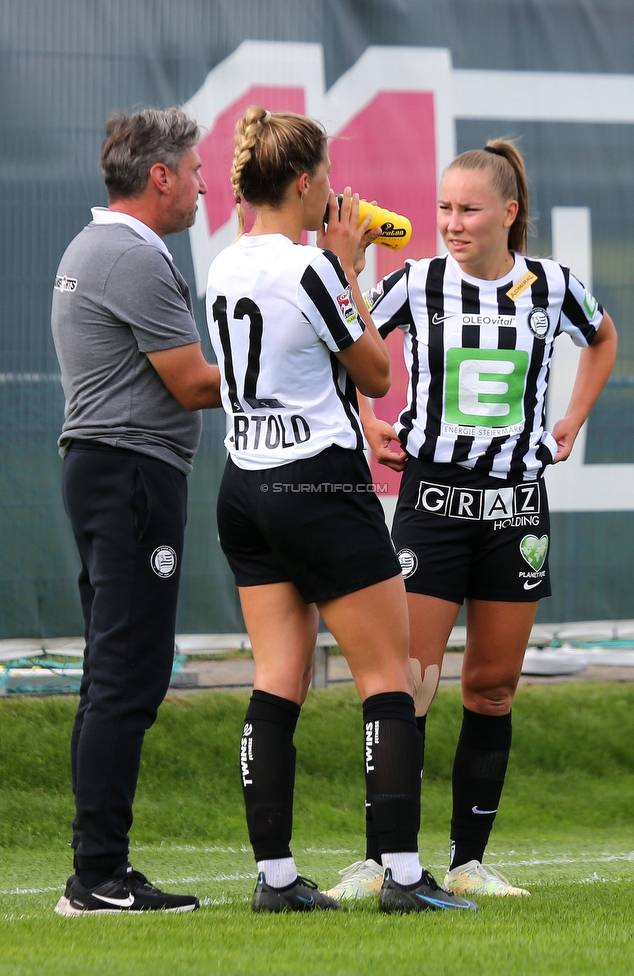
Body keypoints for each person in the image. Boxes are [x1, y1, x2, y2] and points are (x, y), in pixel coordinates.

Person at [326, 139, 617, 901]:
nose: (451, 224)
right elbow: (350, 344)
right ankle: (383, 858)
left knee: (491, 688)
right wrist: (366, 419)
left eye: (468, 210)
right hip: (432, 502)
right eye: (444, 209)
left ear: (509, 213)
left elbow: (604, 337)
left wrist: (573, 419)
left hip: (517, 508)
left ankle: (468, 860)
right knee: (408, 685)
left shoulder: (552, 287)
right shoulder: (417, 282)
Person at [205, 105, 478, 915]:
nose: (335, 189)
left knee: (276, 678)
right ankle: (401, 874)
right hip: (317, 486)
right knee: (385, 676)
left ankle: (277, 881)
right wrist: (350, 265)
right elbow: (375, 371)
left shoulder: (224, 264)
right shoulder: (313, 267)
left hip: (243, 486)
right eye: (324, 175)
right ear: (302, 182)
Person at [51, 108, 222, 915]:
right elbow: (193, 383)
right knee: (128, 673)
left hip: (107, 471)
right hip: (130, 477)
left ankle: (99, 868)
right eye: (192, 171)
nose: (201, 184)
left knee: (117, 669)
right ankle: (98, 877)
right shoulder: (132, 254)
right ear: (160, 177)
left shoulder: (95, 245)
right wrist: (295, 365)